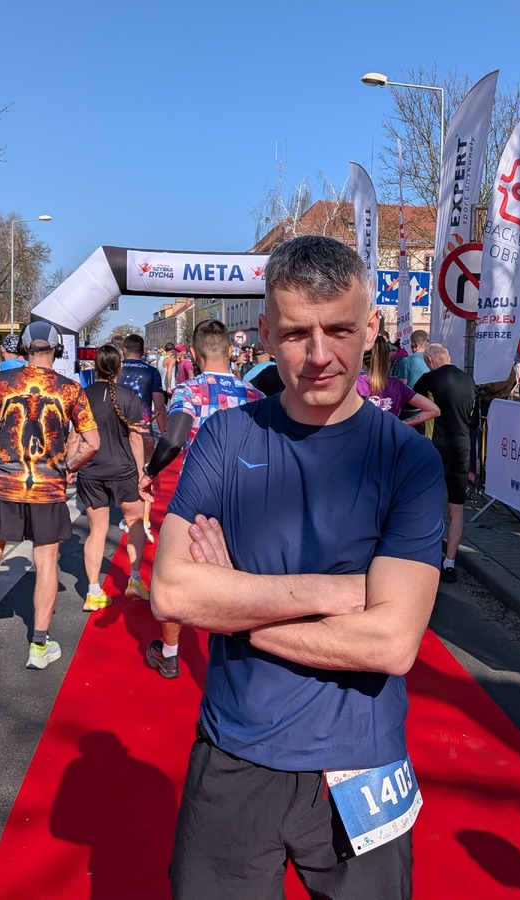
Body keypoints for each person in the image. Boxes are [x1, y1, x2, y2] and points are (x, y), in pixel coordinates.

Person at [151, 236, 443, 897]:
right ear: (265, 333)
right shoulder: (226, 437)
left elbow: (391, 643)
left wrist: (233, 609)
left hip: (361, 764)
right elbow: (170, 590)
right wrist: (339, 592)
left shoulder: (409, 462)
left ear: (371, 327)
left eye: (339, 330)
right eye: (295, 334)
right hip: (233, 751)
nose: (318, 356)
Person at [0, 321, 99, 665]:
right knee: (47, 561)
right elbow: (93, 443)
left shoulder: (2, 381)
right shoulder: (70, 389)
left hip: (3, 483)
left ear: (23, 348)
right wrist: (69, 466)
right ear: (57, 349)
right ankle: (39, 645)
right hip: (47, 486)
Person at [138, 319, 263, 680]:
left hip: (199, 497)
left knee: (173, 574)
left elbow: (174, 438)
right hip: (246, 498)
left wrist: (150, 471)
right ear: (230, 350)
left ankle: (170, 653)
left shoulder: (189, 389)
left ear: (193, 354)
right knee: (240, 576)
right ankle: (242, 655)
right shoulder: (255, 394)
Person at [78, 345, 148, 611]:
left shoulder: (83, 395)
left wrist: (71, 466)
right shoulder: (129, 396)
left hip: (91, 470)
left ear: (95, 367)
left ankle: (93, 591)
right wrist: (142, 473)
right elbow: (136, 438)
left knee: (97, 530)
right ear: (120, 367)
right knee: (135, 522)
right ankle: (135, 579)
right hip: (123, 470)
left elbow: (75, 437)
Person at [415, 343, 476, 583]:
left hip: (436, 447)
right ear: (448, 356)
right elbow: (473, 419)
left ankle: (427, 558)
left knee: (429, 502)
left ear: (430, 361)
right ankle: (449, 563)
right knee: (456, 507)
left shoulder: (429, 379)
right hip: (462, 447)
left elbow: (410, 406)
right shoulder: (469, 380)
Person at [117, 334, 165, 545]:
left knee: (124, 475)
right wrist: (164, 433)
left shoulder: (117, 369)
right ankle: (144, 519)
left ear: (124, 349)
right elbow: (159, 405)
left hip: (120, 430)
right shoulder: (152, 372)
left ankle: (128, 517)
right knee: (146, 475)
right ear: (143, 350)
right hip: (144, 430)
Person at [356, 335, 439, 426]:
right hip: (389, 433)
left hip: (361, 433)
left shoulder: (355, 384)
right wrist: (400, 425)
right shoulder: (397, 385)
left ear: (362, 360)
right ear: (388, 360)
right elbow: (434, 410)